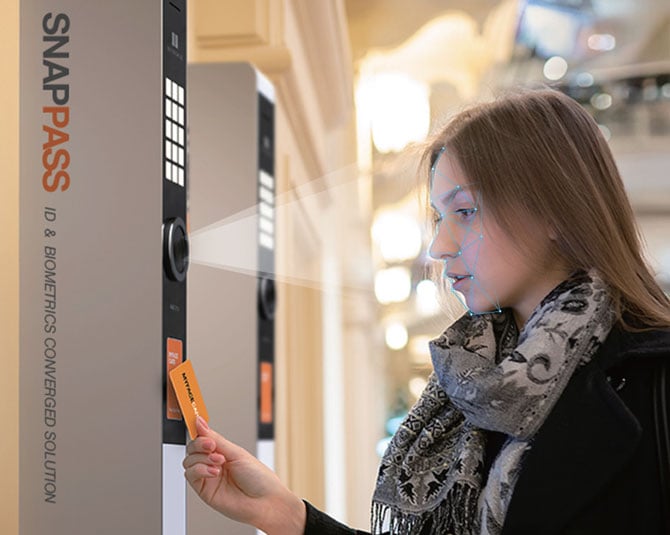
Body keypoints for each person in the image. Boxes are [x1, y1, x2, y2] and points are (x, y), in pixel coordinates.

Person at [183, 88, 670, 535]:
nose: (439, 246)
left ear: (553, 209)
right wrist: (287, 514)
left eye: (465, 211)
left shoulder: (655, 380)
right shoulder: (473, 381)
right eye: (439, 217)